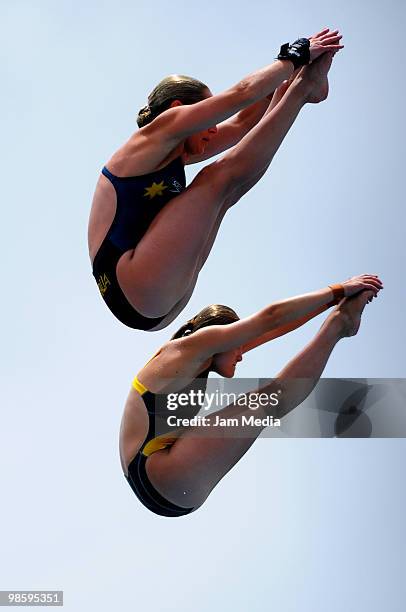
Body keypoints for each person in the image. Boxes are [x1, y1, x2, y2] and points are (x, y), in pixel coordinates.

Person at [88, 29, 344, 330]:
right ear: (178, 109)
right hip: (132, 283)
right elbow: (242, 93)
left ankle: (299, 91)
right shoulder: (156, 136)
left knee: (225, 192)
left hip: (155, 301)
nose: (213, 130)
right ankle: (301, 91)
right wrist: (293, 56)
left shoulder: (174, 153)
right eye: (207, 121)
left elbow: (243, 122)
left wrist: (288, 81)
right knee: (217, 179)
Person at [119, 275, 383, 516]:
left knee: (267, 400)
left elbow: (274, 328)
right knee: (268, 401)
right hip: (160, 474)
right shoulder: (190, 348)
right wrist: (337, 290)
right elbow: (271, 317)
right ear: (222, 335)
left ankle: (337, 322)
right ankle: (338, 326)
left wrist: (332, 302)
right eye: (238, 348)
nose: (242, 355)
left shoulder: (198, 357)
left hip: (158, 477)